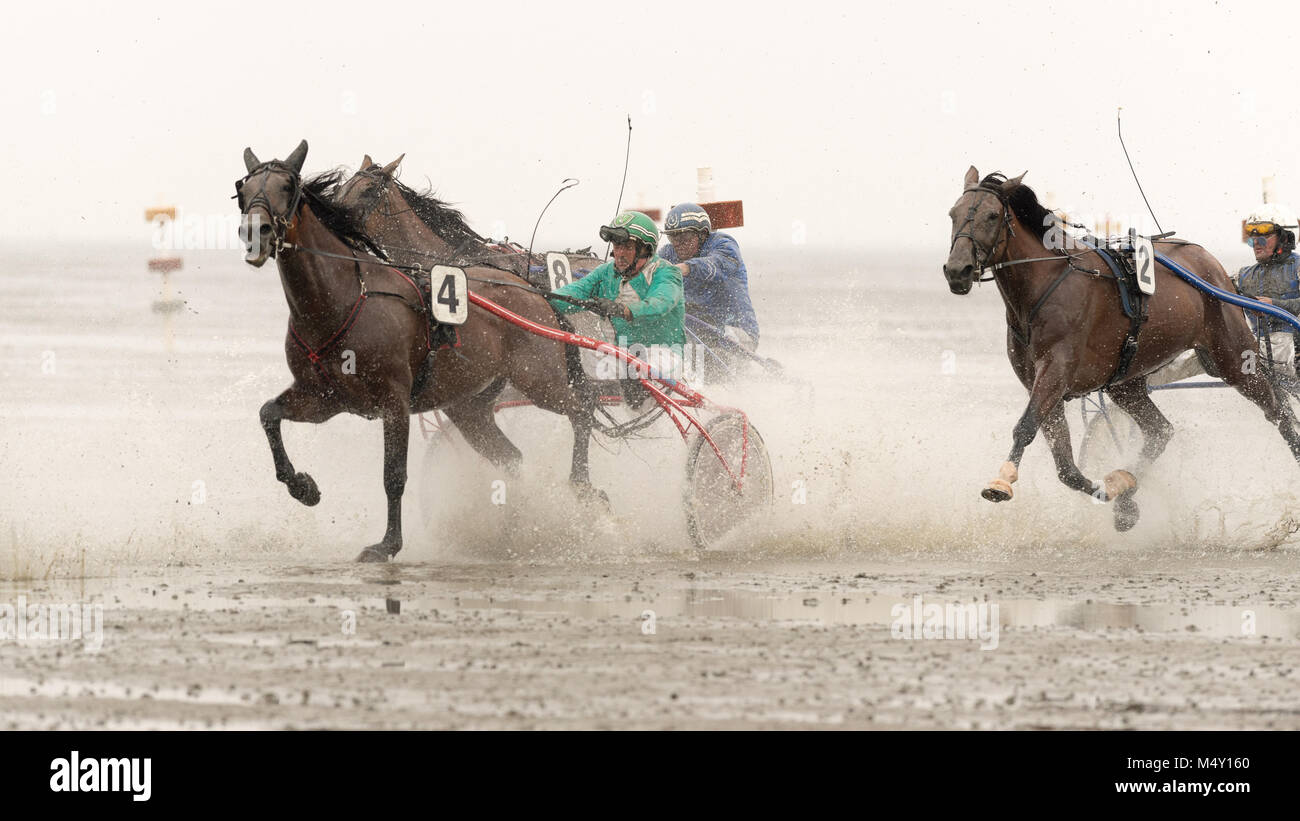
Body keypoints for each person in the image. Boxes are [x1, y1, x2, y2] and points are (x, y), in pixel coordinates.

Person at [548, 211, 684, 402]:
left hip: (662, 354)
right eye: (617, 246)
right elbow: (574, 292)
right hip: (617, 354)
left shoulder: (666, 273)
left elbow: (661, 303)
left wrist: (623, 310)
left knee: (634, 371)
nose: (619, 253)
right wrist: (540, 298)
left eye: (627, 247)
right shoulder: (605, 273)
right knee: (567, 359)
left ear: (645, 249)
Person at [658, 203, 760, 362]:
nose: (678, 244)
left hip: (734, 332)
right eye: (673, 237)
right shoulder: (668, 252)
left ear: (703, 234)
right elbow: (649, 268)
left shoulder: (724, 245)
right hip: (695, 333)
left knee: (709, 360)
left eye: (684, 238)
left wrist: (685, 268)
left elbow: (715, 265)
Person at [1236, 206, 1300, 377]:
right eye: (1253, 237)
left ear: (1285, 238)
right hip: (1256, 347)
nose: (1256, 243)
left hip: (1291, 347)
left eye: (1264, 236)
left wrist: (1273, 305)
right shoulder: (1243, 275)